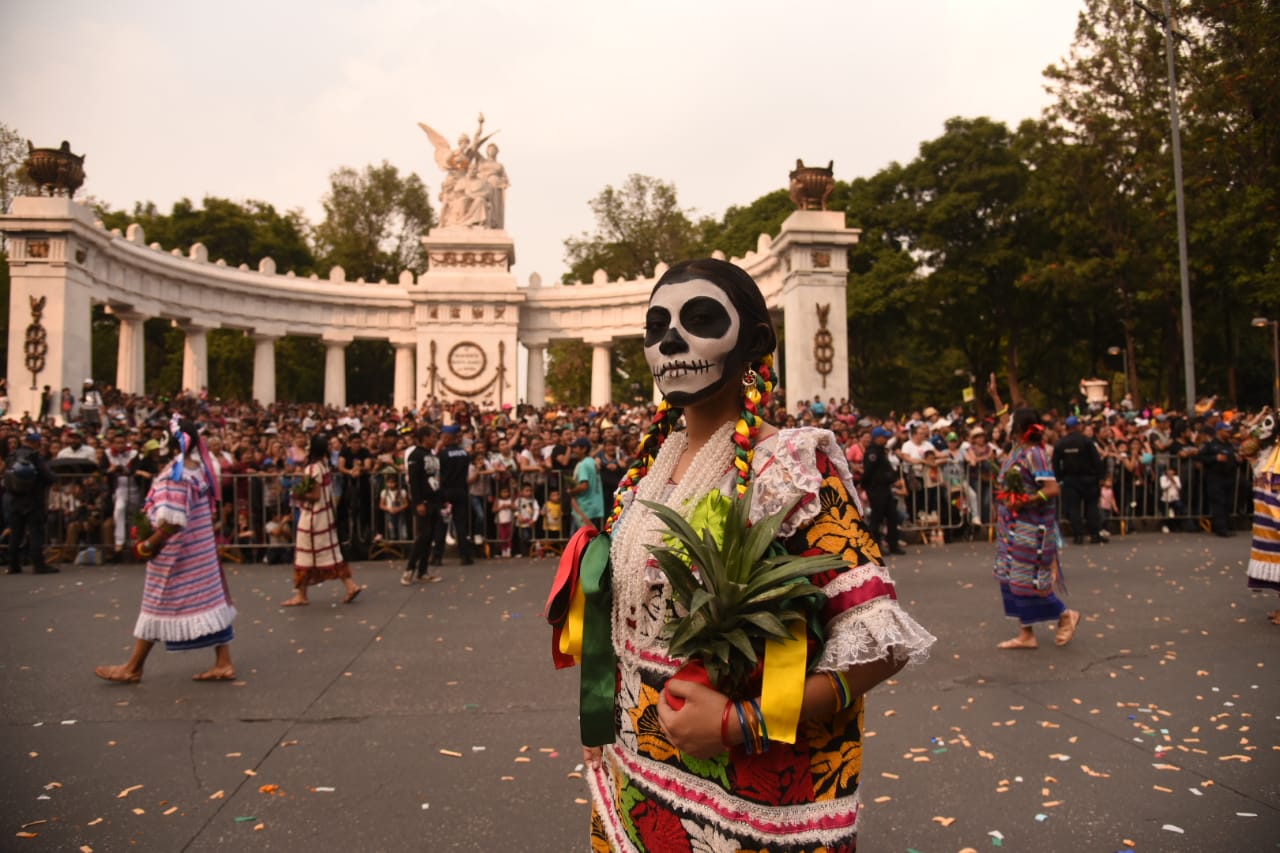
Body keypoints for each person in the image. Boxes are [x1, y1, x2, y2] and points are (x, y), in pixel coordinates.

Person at [575, 259, 933, 852]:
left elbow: (881, 646)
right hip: (635, 784)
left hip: (746, 807)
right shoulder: (644, 476)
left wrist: (739, 724)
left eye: (700, 319)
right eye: (657, 324)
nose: (670, 340)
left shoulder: (788, 469)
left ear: (756, 343)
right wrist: (600, 719)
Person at [94, 417, 234, 682]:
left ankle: (133, 667)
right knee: (210, 601)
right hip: (200, 551)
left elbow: (171, 520)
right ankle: (223, 661)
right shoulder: (198, 468)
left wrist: (150, 543)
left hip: (179, 555)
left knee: (157, 604)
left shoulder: (176, 473)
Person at [993, 407, 1081, 650]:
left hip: (1030, 529)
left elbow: (1052, 489)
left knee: (1025, 581)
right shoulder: (1017, 449)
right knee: (1009, 578)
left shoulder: (1035, 454)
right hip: (1010, 529)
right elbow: (1004, 422)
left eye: (1012, 423)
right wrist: (996, 398)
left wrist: (1026, 500)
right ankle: (1026, 634)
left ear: (1020, 429)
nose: (1006, 425)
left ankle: (1065, 614)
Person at [282, 435, 363, 606]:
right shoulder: (324, 466)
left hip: (313, 518)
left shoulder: (312, 469)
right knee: (330, 553)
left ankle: (302, 595)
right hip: (325, 516)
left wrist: (297, 494)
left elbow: (314, 495)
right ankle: (349, 585)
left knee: (305, 555)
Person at [4, 431, 58, 574]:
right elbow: (48, 476)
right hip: (33, 500)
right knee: (35, 533)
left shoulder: (12, 456)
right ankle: (39, 565)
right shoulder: (35, 457)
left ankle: (13, 565)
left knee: (16, 534)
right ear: (36, 443)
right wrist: (53, 477)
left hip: (15, 499)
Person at [1052, 415, 1105, 545]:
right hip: (1088, 478)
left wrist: (1059, 477)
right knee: (1092, 507)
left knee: (1074, 508)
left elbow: (1055, 462)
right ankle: (1094, 534)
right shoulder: (1086, 441)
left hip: (1070, 479)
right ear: (1078, 426)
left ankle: (1078, 535)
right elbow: (1096, 460)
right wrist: (1100, 476)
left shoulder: (1061, 443)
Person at [404, 426, 445, 584]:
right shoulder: (415, 455)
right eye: (433, 436)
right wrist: (418, 502)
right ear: (425, 438)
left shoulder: (431, 454)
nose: (435, 439)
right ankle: (409, 569)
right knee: (423, 536)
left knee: (430, 537)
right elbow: (414, 481)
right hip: (423, 501)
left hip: (434, 499)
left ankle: (423, 570)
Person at [863, 425, 906, 555]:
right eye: (884, 437)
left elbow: (886, 469)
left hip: (885, 489)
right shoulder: (872, 453)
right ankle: (875, 546)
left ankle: (893, 544)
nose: (887, 439)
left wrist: (894, 479)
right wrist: (890, 479)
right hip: (876, 489)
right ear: (878, 438)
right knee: (877, 518)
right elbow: (872, 473)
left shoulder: (881, 451)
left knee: (893, 516)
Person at [1196, 421, 1240, 537]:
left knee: (1228, 503)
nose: (1228, 433)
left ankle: (1226, 526)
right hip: (1215, 478)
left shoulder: (1229, 445)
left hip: (1228, 477)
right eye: (1226, 431)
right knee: (1218, 503)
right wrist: (1215, 458)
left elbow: (1233, 458)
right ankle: (1221, 528)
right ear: (1219, 431)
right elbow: (1200, 456)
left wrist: (1237, 460)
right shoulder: (1210, 445)